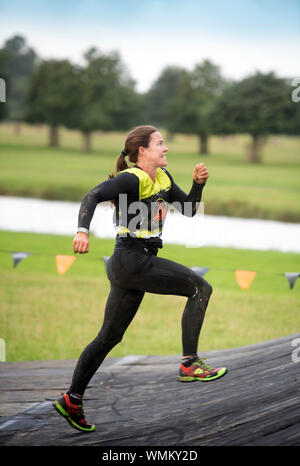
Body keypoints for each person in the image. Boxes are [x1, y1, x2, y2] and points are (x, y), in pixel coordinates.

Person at [53, 125, 227, 432]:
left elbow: (187, 209)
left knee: (109, 337)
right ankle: (189, 363)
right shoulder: (130, 178)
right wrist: (82, 230)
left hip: (133, 264)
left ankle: (72, 399)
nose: (166, 148)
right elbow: (91, 195)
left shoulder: (162, 178)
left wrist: (198, 185)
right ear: (142, 151)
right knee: (200, 287)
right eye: (160, 143)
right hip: (132, 259)